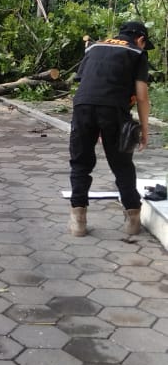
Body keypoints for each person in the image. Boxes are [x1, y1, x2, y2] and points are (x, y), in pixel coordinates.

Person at [69, 20, 153, 238]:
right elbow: (142, 96)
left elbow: (85, 81)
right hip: (114, 109)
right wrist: (145, 130)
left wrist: (95, 122)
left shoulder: (95, 46)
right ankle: (133, 219)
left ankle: (79, 221)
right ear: (141, 39)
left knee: (80, 162)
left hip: (83, 106)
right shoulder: (136, 53)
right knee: (122, 164)